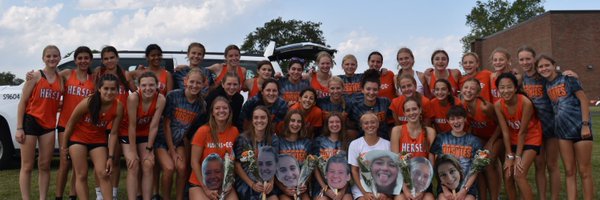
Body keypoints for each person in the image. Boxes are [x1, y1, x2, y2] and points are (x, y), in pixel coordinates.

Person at [536, 55, 594, 200]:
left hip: (580, 129)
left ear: (554, 65)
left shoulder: (568, 79)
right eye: (540, 67)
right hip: (561, 132)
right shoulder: (546, 85)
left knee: (584, 171)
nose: (544, 69)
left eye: (546, 65)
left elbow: (583, 99)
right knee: (569, 171)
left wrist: (585, 125)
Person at [61, 74, 124, 200]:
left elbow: (114, 133)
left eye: (113, 89)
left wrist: (111, 156)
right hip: (78, 139)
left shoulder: (118, 106)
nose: (109, 92)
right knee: (81, 174)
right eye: (106, 88)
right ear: (99, 89)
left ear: (117, 90)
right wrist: (63, 147)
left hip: (98, 140)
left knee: (103, 173)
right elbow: (70, 124)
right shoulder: (88, 102)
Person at [16, 45, 63, 200]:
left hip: (48, 126)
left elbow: (55, 101)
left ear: (60, 57)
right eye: (48, 56)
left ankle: (43, 198)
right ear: (43, 58)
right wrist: (19, 127)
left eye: (55, 56)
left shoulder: (60, 79)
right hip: (30, 122)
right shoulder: (35, 76)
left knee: (44, 165)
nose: (52, 59)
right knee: (27, 165)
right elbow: (22, 102)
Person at [155, 68, 207, 200]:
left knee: (182, 168)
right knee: (169, 168)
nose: (195, 85)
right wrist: (172, 150)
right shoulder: (173, 96)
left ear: (203, 84)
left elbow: (192, 128)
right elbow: (166, 124)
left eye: (198, 83)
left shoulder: (201, 105)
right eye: (192, 82)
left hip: (179, 141)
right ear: (185, 81)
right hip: (162, 139)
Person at [516, 46, 560, 200]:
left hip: (551, 124)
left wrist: (568, 73)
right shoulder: (522, 79)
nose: (525, 62)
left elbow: (557, 76)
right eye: (522, 59)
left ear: (534, 59)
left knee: (552, 165)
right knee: (539, 165)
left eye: (528, 58)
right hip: (535, 128)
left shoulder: (542, 75)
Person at [493, 72, 542, 200]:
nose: (506, 90)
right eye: (502, 87)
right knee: (508, 174)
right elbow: (505, 131)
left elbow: (523, 132)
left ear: (515, 88)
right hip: (513, 139)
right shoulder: (498, 105)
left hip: (531, 137)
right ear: (498, 90)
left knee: (519, 174)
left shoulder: (525, 102)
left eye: (509, 87)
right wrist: (510, 156)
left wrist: (518, 156)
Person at [95, 46, 136, 198]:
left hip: (121, 123)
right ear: (102, 61)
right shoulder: (99, 74)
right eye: (106, 58)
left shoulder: (125, 74)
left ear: (117, 58)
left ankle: (113, 191)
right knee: (100, 162)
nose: (109, 61)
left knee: (116, 160)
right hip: (104, 122)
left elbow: (136, 92)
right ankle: (99, 192)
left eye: (112, 57)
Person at [56, 46, 94, 200]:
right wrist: (32, 75)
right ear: (75, 60)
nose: (83, 61)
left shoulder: (94, 79)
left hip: (83, 126)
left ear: (90, 60)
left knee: (78, 164)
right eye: (80, 58)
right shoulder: (67, 74)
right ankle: (58, 196)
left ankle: (72, 195)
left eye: (86, 58)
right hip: (65, 124)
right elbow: (49, 77)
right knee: (64, 162)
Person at [121, 72, 166, 200]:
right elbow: (132, 126)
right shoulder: (133, 98)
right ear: (138, 86)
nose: (148, 88)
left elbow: (154, 126)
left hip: (145, 132)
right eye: (144, 85)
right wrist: (133, 151)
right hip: (128, 132)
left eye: (151, 85)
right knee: (133, 164)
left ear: (157, 85)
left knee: (148, 164)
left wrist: (149, 150)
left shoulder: (160, 99)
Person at [189, 96, 240, 200]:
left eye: (225, 108)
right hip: (200, 184)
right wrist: (205, 189)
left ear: (229, 111)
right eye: (217, 108)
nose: (221, 110)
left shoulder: (234, 131)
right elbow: (194, 162)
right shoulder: (203, 131)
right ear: (212, 112)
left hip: (223, 184)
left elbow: (233, 161)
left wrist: (229, 183)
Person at [460, 78, 501, 200]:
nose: (468, 91)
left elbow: (500, 124)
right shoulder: (464, 105)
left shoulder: (485, 107)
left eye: (472, 89)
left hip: (496, 136)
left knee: (487, 163)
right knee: (477, 165)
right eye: (466, 88)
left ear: (478, 93)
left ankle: (495, 197)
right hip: (480, 138)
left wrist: (491, 141)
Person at [430, 106, 482, 199]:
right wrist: (444, 189)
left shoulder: (474, 141)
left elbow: (476, 169)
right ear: (448, 121)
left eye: (459, 118)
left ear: (465, 119)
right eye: (452, 119)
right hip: (445, 188)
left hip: (467, 188)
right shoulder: (441, 138)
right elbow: (437, 165)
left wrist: (464, 190)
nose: (456, 121)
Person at [390, 96, 436, 200]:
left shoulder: (430, 132)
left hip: (423, 180)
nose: (412, 113)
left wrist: (422, 190)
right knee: (400, 198)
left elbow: (431, 164)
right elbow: (396, 163)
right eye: (408, 110)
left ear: (420, 110)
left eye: (414, 109)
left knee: (429, 198)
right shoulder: (397, 131)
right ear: (404, 113)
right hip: (403, 180)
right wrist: (406, 190)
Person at [234, 106, 279, 200]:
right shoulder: (243, 139)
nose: (259, 120)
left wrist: (271, 182)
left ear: (268, 119)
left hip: (266, 180)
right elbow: (237, 165)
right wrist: (252, 184)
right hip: (247, 182)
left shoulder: (273, 139)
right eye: (256, 118)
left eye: (263, 117)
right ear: (252, 120)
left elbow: (274, 163)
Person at [348, 112, 391, 200]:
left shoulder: (387, 145)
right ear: (362, 126)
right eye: (366, 123)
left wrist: (384, 192)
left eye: (373, 122)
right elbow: (354, 170)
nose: (370, 125)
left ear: (378, 124)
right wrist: (365, 193)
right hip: (361, 187)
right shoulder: (355, 144)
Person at [312, 113, 350, 199]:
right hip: (322, 185)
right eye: (331, 122)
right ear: (327, 125)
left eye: (337, 122)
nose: (335, 124)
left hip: (343, 185)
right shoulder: (319, 141)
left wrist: (342, 192)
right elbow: (315, 167)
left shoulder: (347, 142)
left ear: (341, 124)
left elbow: (349, 169)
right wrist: (326, 189)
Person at [276, 110, 312, 200]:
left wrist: (305, 183)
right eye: (292, 120)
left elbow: (310, 167)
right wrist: (283, 188)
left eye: (299, 121)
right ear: (287, 122)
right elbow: (273, 170)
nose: (295, 124)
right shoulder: (278, 142)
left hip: (301, 188)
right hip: (283, 188)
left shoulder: (307, 143)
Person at [348, 69, 393, 140]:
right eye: (368, 89)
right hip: (363, 143)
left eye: (375, 89)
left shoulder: (385, 102)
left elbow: (391, 124)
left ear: (378, 90)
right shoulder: (355, 107)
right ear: (362, 89)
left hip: (384, 141)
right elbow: (351, 128)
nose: (371, 92)